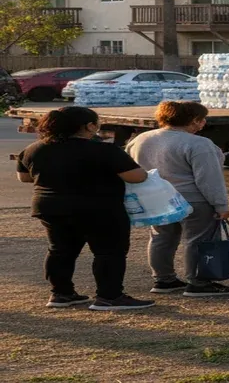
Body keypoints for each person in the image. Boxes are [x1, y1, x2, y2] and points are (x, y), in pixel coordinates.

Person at [17, 107, 155, 311]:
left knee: (60, 250)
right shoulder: (104, 150)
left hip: (50, 207)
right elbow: (137, 176)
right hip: (99, 207)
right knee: (108, 252)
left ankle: (61, 294)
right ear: (89, 126)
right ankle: (110, 296)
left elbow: (25, 177)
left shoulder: (34, 148)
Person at [126, 101, 229, 297]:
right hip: (192, 198)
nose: (203, 123)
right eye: (202, 119)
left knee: (161, 238)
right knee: (198, 240)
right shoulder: (198, 143)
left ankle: (164, 279)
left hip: (155, 199)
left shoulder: (140, 139)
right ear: (193, 120)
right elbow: (209, 178)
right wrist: (221, 204)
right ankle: (198, 282)